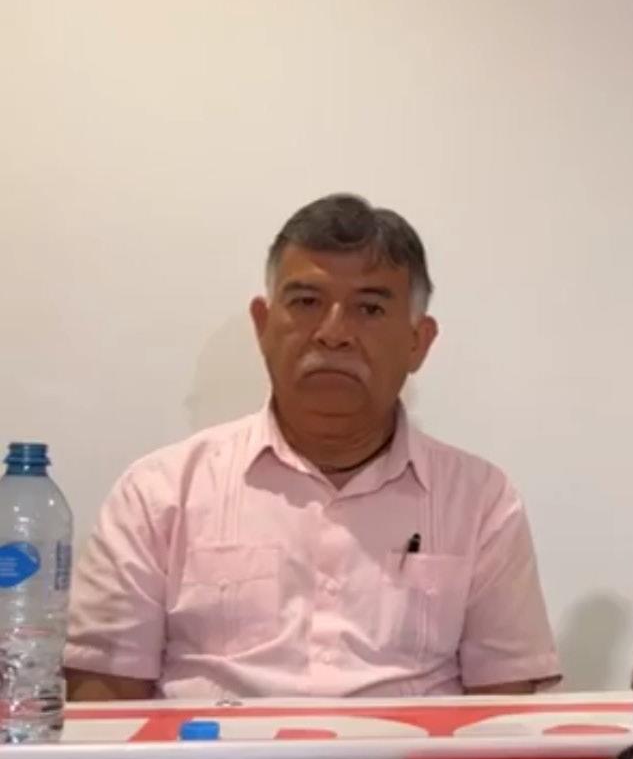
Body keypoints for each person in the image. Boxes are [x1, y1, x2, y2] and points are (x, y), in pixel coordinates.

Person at [64, 193, 561, 699]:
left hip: (411, 753)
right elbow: (102, 696)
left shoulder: (480, 502)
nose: (333, 333)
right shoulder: (159, 493)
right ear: (263, 325)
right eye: (306, 303)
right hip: (211, 750)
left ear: (419, 341)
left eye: (369, 308)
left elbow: (505, 704)